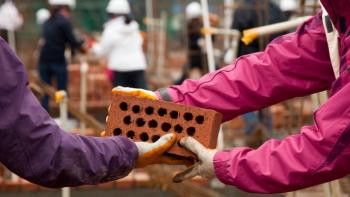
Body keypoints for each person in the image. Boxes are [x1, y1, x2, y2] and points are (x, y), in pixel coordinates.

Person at [113, 0, 350, 193]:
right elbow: (271, 69)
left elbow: (331, 146)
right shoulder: (338, 14)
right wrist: (171, 100)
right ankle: (256, 130)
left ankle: (253, 131)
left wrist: (226, 164)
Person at [0, 35, 182, 188]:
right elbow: (43, 149)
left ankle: (132, 127)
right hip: (137, 67)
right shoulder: (131, 27)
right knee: (139, 106)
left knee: (126, 104)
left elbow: (40, 148)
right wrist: (128, 151)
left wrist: (91, 48)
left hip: (118, 66)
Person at [38, 0, 85, 110]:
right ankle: (62, 113)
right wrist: (81, 42)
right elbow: (72, 41)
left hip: (43, 59)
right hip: (57, 59)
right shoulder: (64, 22)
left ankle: (45, 116)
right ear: (65, 8)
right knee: (62, 91)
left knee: (45, 90)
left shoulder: (47, 21)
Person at [91, 0, 148, 89]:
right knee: (143, 100)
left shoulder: (110, 29)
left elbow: (102, 51)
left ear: (110, 13)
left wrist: (93, 47)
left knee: (122, 100)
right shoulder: (133, 27)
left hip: (119, 70)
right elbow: (140, 42)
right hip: (138, 67)